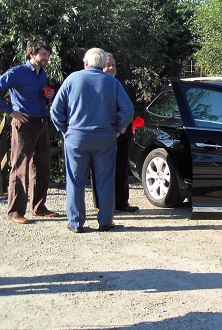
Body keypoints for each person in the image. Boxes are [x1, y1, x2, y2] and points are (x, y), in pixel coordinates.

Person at [51, 48, 133, 233]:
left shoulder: (72, 79)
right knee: (105, 180)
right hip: (105, 137)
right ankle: (105, 221)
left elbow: (56, 110)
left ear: (86, 63)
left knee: (75, 181)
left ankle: (76, 222)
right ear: (103, 64)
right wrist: (118, 129)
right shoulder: (113, 83)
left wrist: (64, 129)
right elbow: (128, 110)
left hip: (76, 137)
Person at [0, 40, 59, 224]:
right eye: (43, 54)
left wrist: (47, 96)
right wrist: (11, 112)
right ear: (32, 54)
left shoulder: (42, 74)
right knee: (20, 167)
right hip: (24, 124)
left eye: (48, 55)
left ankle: (39, 207)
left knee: (41, 166)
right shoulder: (16, 73)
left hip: (41, 122)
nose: (46, 58)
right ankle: (15, 212)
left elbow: (38, 96)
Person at [91, 53, 138, 212]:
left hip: (120, 134)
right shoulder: (94, 85)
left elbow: (128, 108)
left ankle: (121, 203)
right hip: (101, 133)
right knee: (99, 170)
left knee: (121, 169)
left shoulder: (119, 84)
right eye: (108, 65)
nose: (111, 68)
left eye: (114, 65)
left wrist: (121, 129)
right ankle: (100, 205)